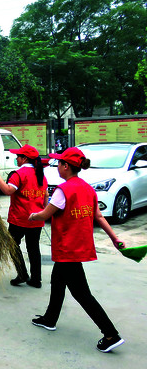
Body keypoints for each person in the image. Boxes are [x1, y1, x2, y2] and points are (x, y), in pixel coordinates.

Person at [28, 147, 125, 353]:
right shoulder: (88, 189)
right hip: (77, 247)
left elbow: (45, 214)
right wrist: (115, 238)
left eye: (60, 163)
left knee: (82, 293)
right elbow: (98, 217)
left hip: (67, 249)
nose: (57, 167)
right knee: (57, 281)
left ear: (65, 166)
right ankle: (50, 319)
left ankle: (110, 334)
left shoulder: (64, 190)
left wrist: (33, 216)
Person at [0, 144, 48, 288]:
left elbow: (8, 190)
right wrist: (43, 211)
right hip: (37, 218)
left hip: (20, 219)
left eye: (18, 156)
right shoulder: (40, 174)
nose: (16, 158)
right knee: (33, 248)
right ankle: (36, 279)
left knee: (12, 245)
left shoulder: (19, 174)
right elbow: (46, 195)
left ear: (24, 158)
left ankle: (22, 273)